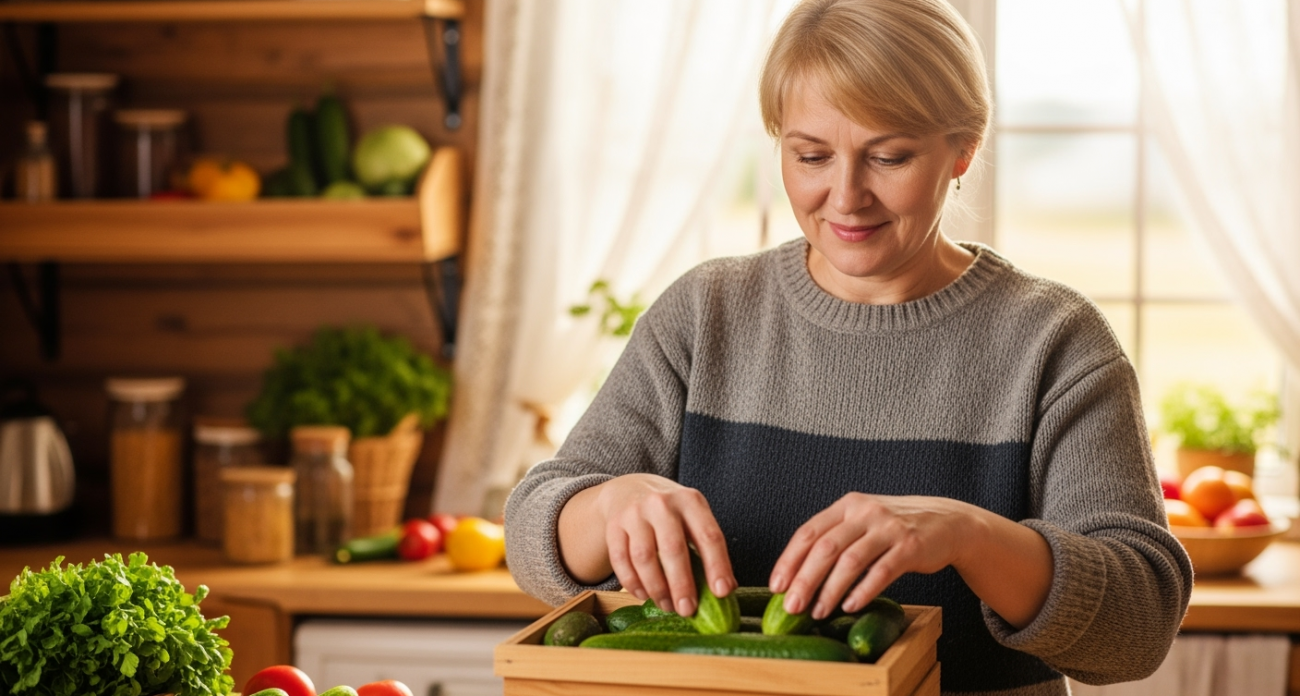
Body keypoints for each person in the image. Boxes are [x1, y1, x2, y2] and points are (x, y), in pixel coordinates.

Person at [503, 0, 1193, 693]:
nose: (845, 197)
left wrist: (968, 535)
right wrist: (607, 507)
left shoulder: (1054, 342)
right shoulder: (704, 314)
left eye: (888, 156)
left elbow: (1138, 627)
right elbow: (536, 527)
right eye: (810, 155)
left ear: (964, 149)